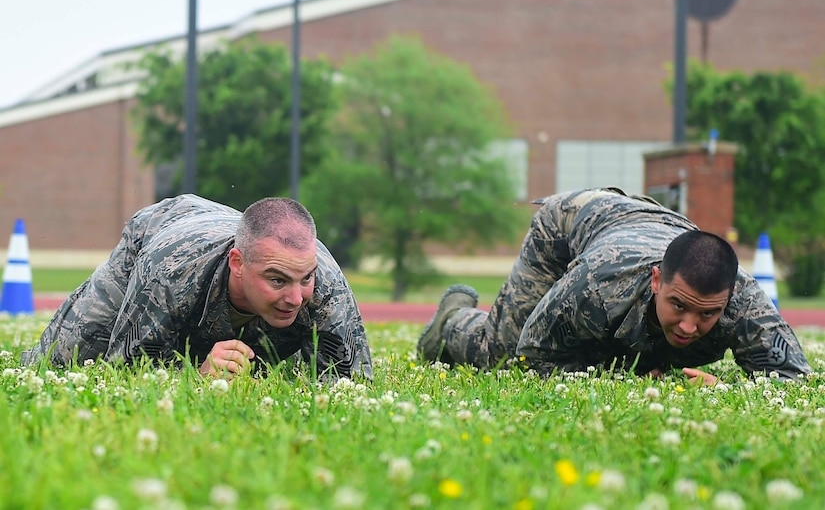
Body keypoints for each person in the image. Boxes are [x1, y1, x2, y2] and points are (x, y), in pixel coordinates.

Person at [417, 187, 811, 384]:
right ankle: (453, 320)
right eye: (679, 306)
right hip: (569, 224)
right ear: (657, 280)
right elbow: (534, 352)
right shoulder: (595, 284)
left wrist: (723, 386)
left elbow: (792, 378)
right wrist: (632, 373)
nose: (690, 326)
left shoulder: (746, 303)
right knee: (500, 355)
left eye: (707, 313)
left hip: (650, 225)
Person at [22, 194, 372, 380]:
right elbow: (128, 369)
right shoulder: (168, 271)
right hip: (164, 231)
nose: (296, 298)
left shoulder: (326, 284)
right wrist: (196, 374)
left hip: (228, 236)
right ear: (238, 263)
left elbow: (351, 379)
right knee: (63, 359)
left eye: (305, 279)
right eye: (277, 280)